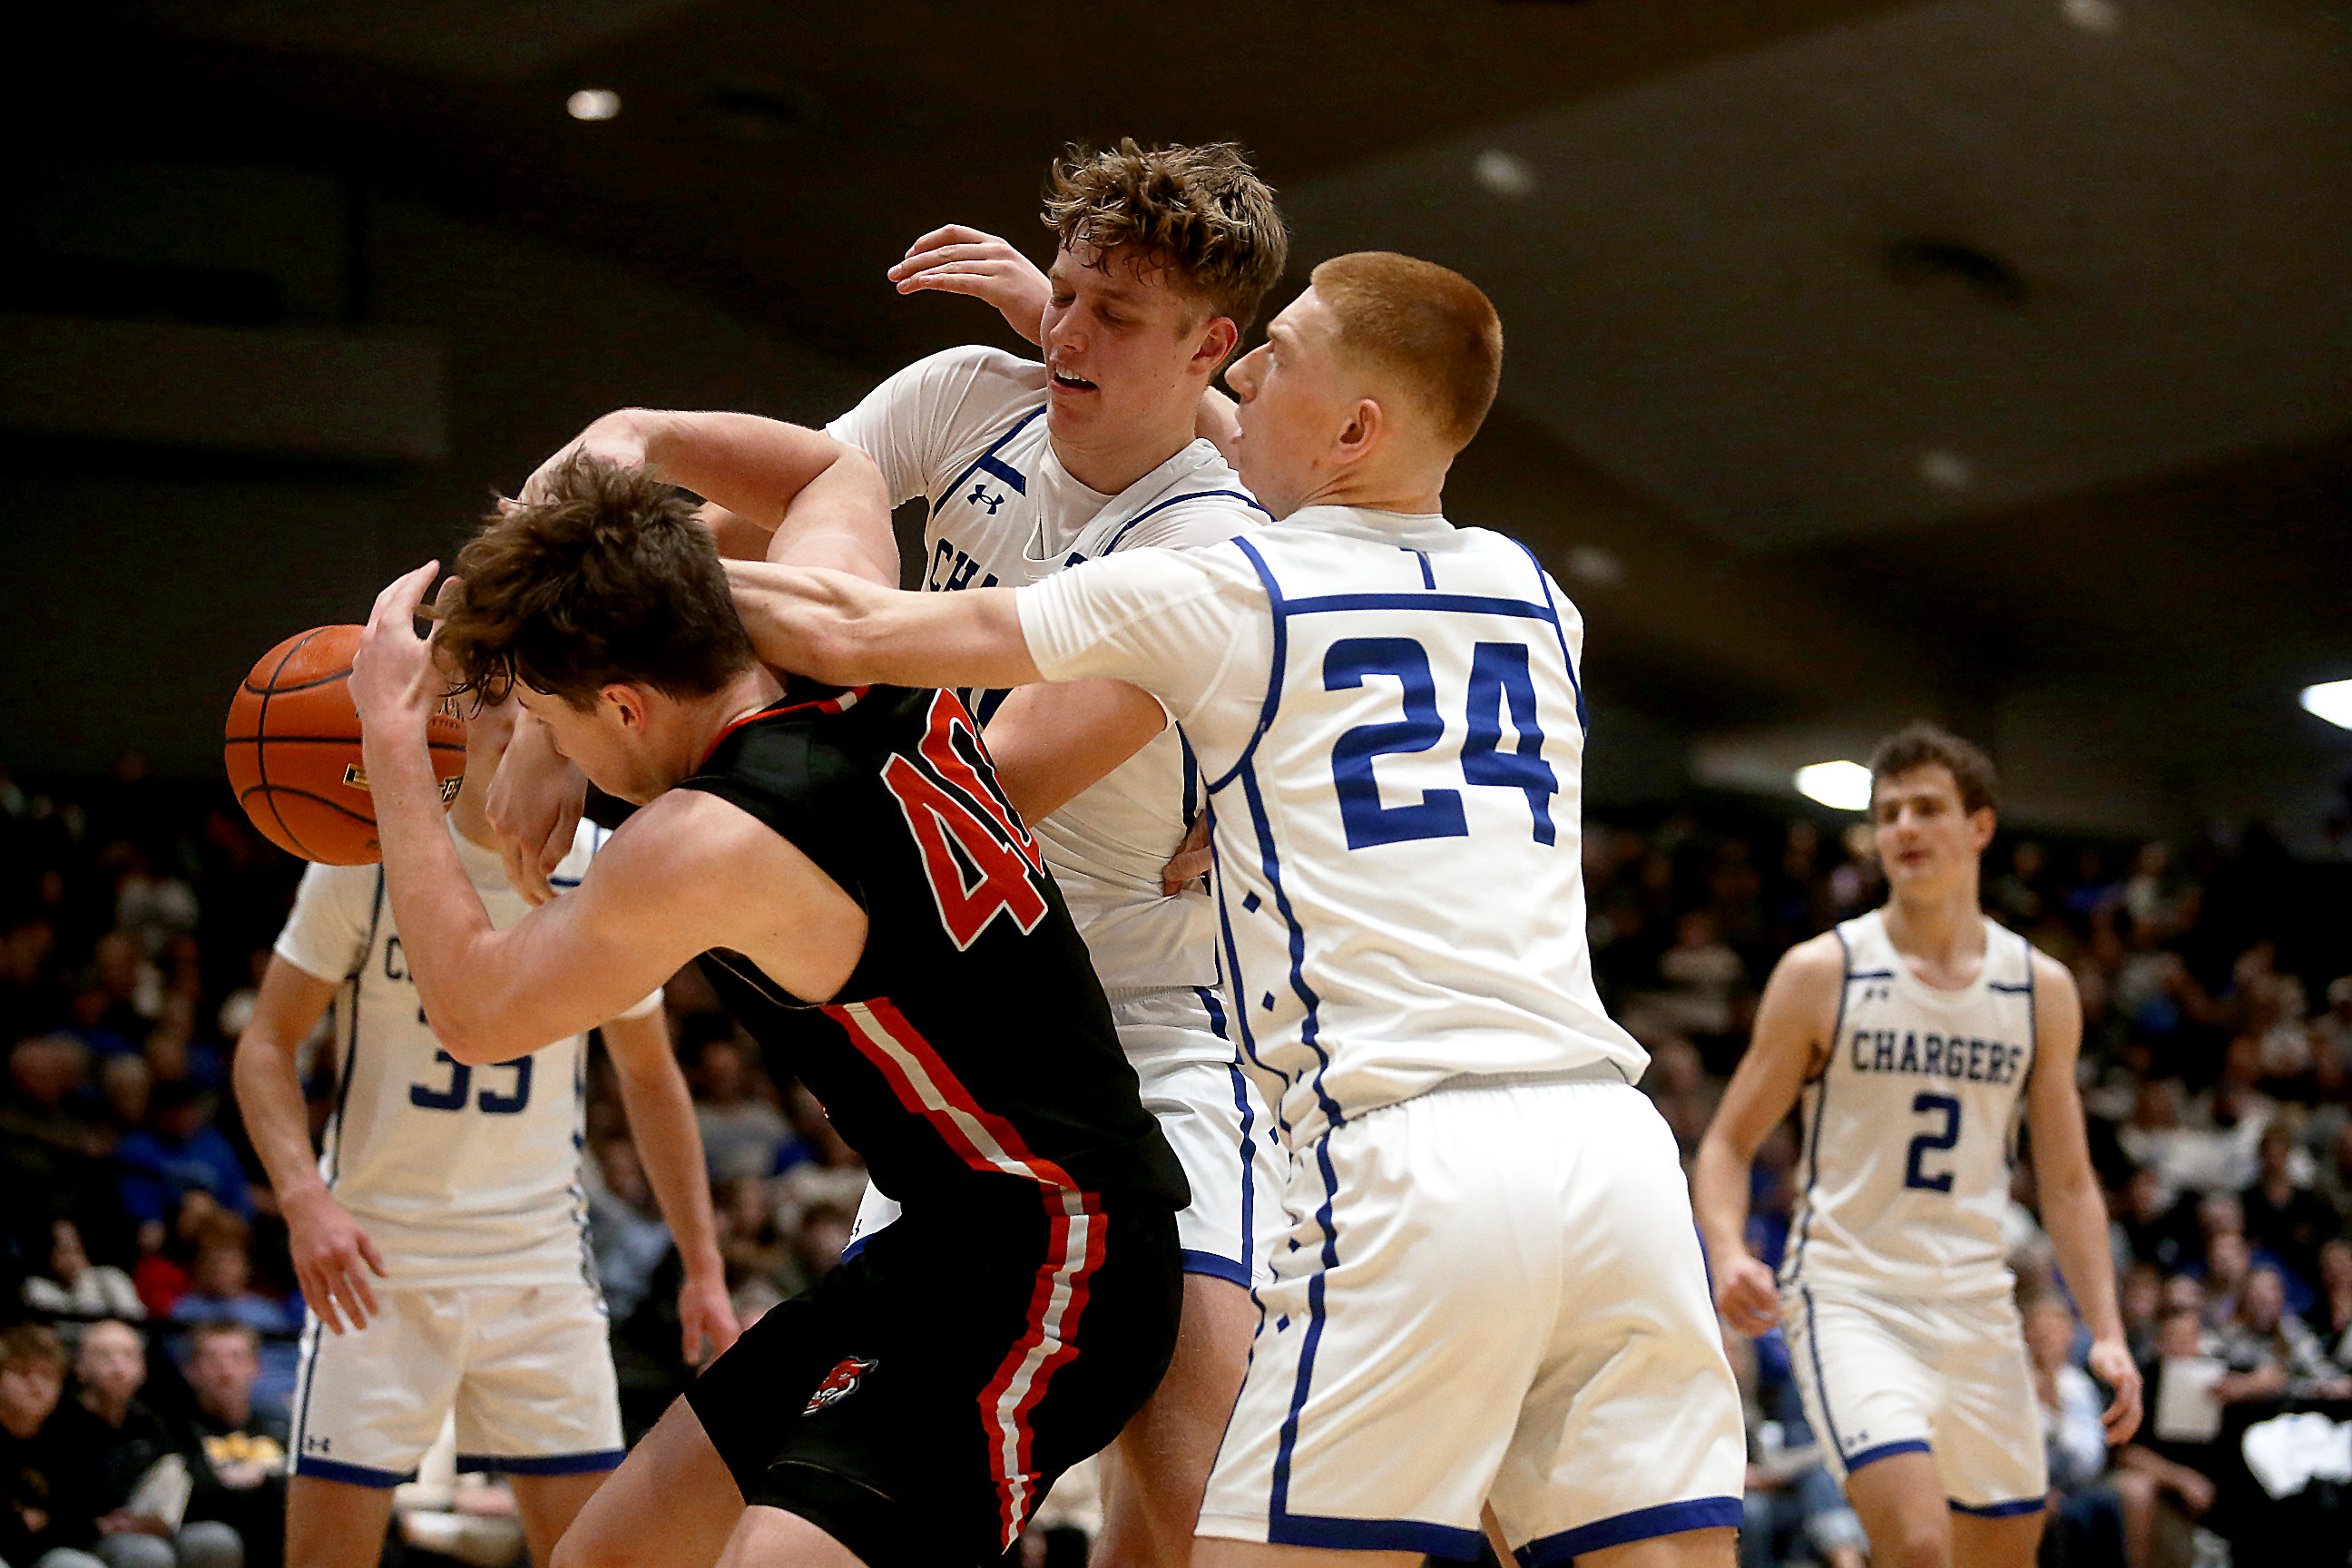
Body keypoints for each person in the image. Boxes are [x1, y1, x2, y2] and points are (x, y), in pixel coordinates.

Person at [720, 250, 1746, 1567]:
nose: (1245, 373)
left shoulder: (1226, 590)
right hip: (1615, 1159)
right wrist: (1088, 334)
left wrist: (570, 583)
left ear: (1353, 427)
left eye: (1279, 356)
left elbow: (852, 628)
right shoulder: (1539, 596)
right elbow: (1358, 459)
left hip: (1410, 1158)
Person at [495, 142, 1286, 1568]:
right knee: (855, 1494)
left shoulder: (1208, 551)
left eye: (1113, 314)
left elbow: (988, 785)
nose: (1063, 331)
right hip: (960, 1039)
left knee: (1190, 1467)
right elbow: (755, 538)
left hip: (1148, 1027)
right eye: (1064, 293)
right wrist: (565, 696)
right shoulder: (961, 398)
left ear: (1210, 351)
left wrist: (624, 707)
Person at [345, 450, 1188, 1568]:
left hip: (1061, 1258)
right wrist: (635, 443)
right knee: (605, 1561)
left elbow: (477, 1011)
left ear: (628, 703)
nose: (565, 750)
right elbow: (833, 469)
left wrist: (394, 744)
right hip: (944, 1240)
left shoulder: (707, 840)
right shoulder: (845, 630)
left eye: (561, 719)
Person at [230, 700, 738, 1568]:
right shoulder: (370, 854)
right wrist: (303, 1199)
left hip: (535, 1261)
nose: (514, 713)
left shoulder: (604, 868)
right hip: (376, 1261)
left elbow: (651, 1077)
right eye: (493, 689)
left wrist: (703, 1265)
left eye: (534, 697)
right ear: (450, 707)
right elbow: (265, 1046)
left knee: (595, 1557)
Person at [1691, 723, 2145, 1568]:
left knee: (2002, 1555)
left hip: (1977, 1306)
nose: (1903, 827)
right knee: (1920, 1547)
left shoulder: (2038, 988)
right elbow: (1724, 1144)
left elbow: (2071, 1182)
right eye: (1888, 812)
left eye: (1927, 808)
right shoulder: (1824, 971)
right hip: (1851, 1295)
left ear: (1980, 826)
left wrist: (2107, 1328)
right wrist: (1726, 1251)